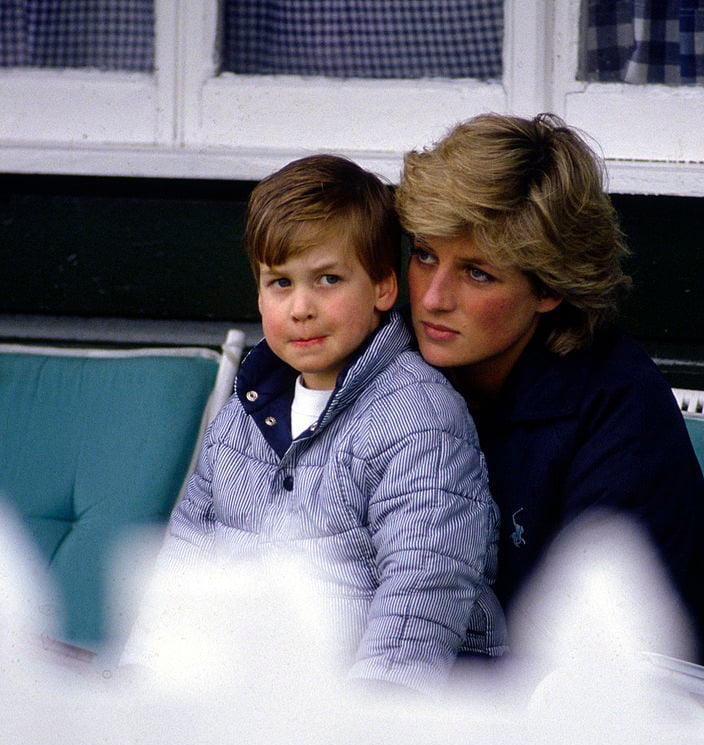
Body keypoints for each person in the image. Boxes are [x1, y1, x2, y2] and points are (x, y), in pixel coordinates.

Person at [124, 154, 506, 695]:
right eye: (280, 283)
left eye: (327, 279)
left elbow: (426, 578)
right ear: (258, 295)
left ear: (382, 287)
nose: (300, 307)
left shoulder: (419, 419)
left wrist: (372, 718)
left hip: (378, 714)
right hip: (251, 697)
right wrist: (148, 669)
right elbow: (188, 554)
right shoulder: (242, 416)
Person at [395, 113, 704, 677]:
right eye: (424, 255)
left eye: (478, 274)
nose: (434, 298)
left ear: (549, 287)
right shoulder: (392, 364)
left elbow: (595, 645)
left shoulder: (621, 411)